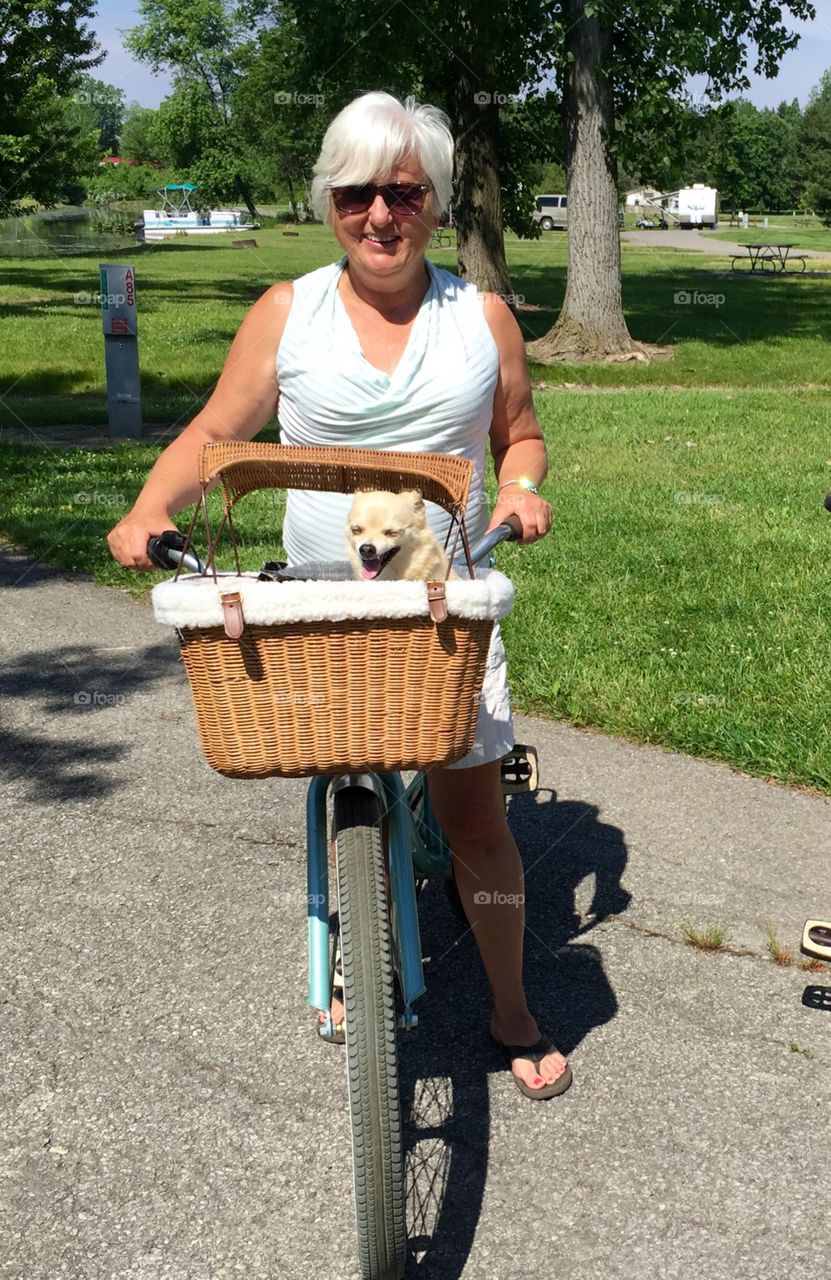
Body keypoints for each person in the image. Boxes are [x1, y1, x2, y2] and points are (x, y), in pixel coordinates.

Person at [108, 91, 570, 1100]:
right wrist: (149, 506)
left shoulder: (480, 315)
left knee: (478, 818)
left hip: (442, 605)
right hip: (315, 603)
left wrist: (524, 485)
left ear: (435, 204)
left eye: (403, 193)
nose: (380, 217)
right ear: (329, 202)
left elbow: (519, 431)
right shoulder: (288, 311)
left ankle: (510, 999)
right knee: (329, 763)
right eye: (356, 193)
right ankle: (354, 915)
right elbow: (213, 436)